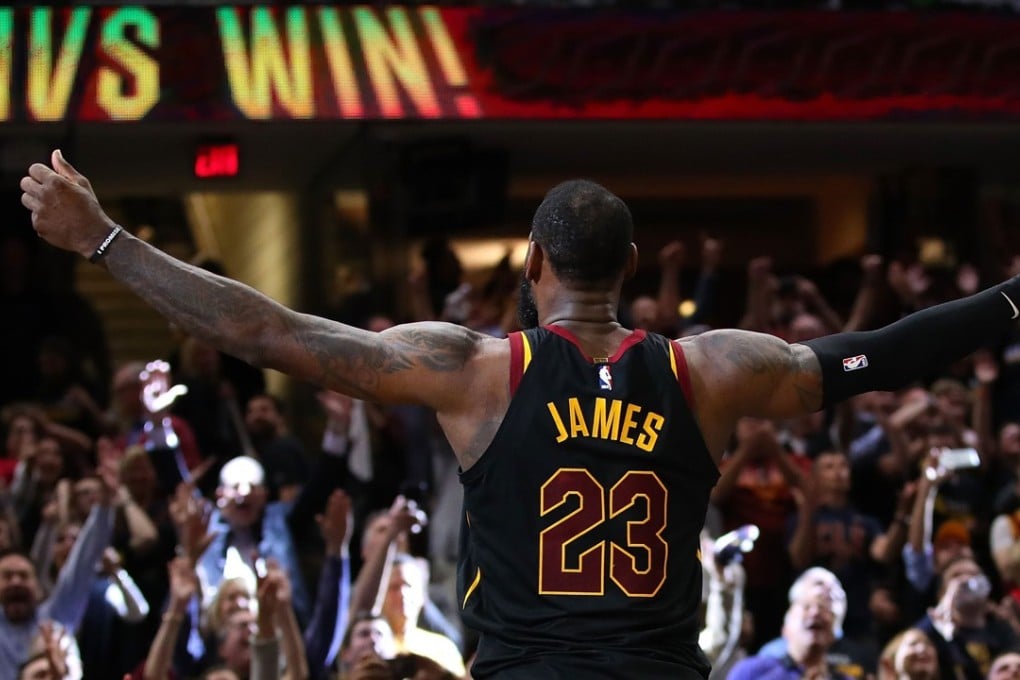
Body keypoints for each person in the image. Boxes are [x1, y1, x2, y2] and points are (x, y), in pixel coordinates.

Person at [21, 155, 1020, 678]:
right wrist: (1011, 300)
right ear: (630, 271)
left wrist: (107, 238)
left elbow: (268, 331)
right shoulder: (709, 368)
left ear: (533, 264)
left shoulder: (477, 371)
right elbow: (880, 354)